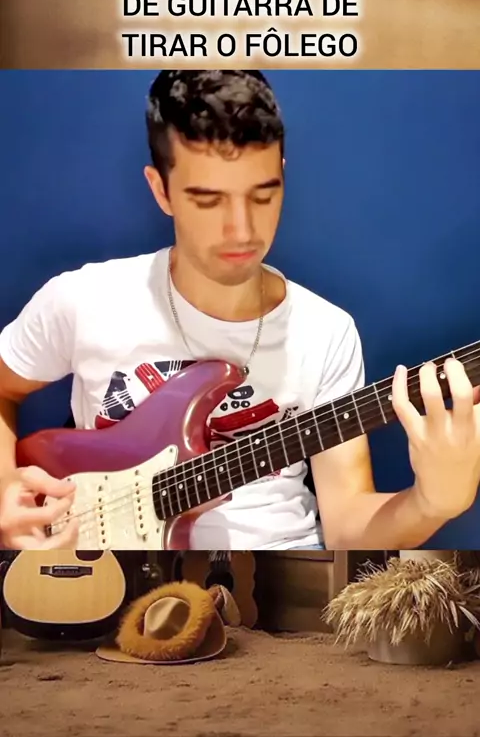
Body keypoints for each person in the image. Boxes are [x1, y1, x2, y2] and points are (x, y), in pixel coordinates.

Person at [0, 69, 479, 552]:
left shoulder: (325, 332)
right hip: (109, 571)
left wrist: (433, 502)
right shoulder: (85, 300)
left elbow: (346, 529)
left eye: (263, 194)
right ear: (161, 190)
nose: (242, 230)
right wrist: (3, 491)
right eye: (208, 200)